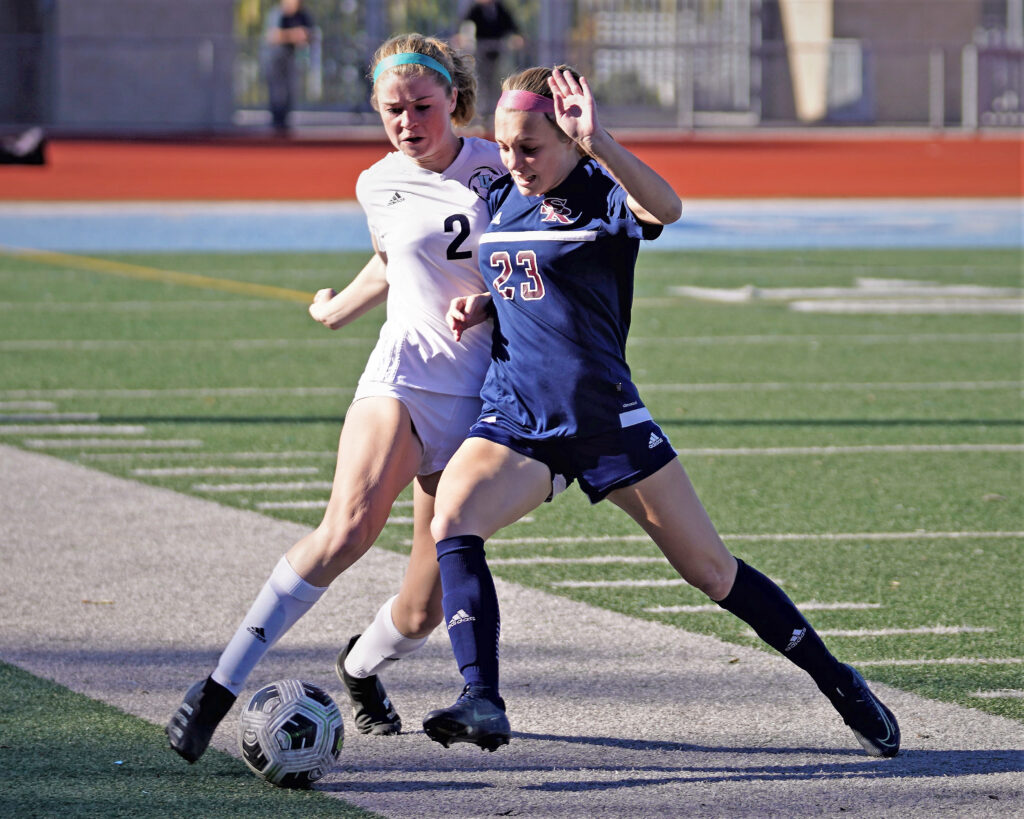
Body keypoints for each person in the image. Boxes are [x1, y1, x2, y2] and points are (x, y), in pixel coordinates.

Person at [420, 66, 901, 759]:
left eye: (530, 147)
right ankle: (482, 697)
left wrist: (601, 141)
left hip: (604, 420)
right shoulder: (500, 193)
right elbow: (522, 273)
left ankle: (839, 680)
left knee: (712, 572)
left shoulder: (598, 194)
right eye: (505, 146)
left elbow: (666, 208)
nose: (514, 161)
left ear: (568, 140)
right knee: (454, 519)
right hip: (518, 416)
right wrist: (486, 301)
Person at [165, 33, 505, 763]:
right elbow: (394, 256)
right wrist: (340, 308)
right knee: (347, 527)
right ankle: (216, 689)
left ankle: (359, 666)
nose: (408, 122)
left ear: (455, 100)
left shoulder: (502, 167)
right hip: (405, 378)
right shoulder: (375, 182)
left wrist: (491, 307)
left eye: (422, 105)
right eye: (393, 109)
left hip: (482, 401)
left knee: (423, 609)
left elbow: (539, 264)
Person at [456, 0, 524, 121]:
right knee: (482, 83)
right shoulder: (476, 9)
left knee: (498, 82)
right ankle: (481, 115)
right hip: (481, 53)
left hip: (498, 54)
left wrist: (518, 37)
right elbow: (464, 23)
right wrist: (461, 36)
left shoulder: (499, 8)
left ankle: (496, 112)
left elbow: (511, 25)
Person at [263, 0, 315, 134]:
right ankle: (276, 123)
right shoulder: (277, 14)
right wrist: (293, 35)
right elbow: (272, 36)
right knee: (277, 93)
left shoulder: (303, 14)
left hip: (291, 58)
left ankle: (285, 124)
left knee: (290, 91)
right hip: (275, 58)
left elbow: (310, 34)